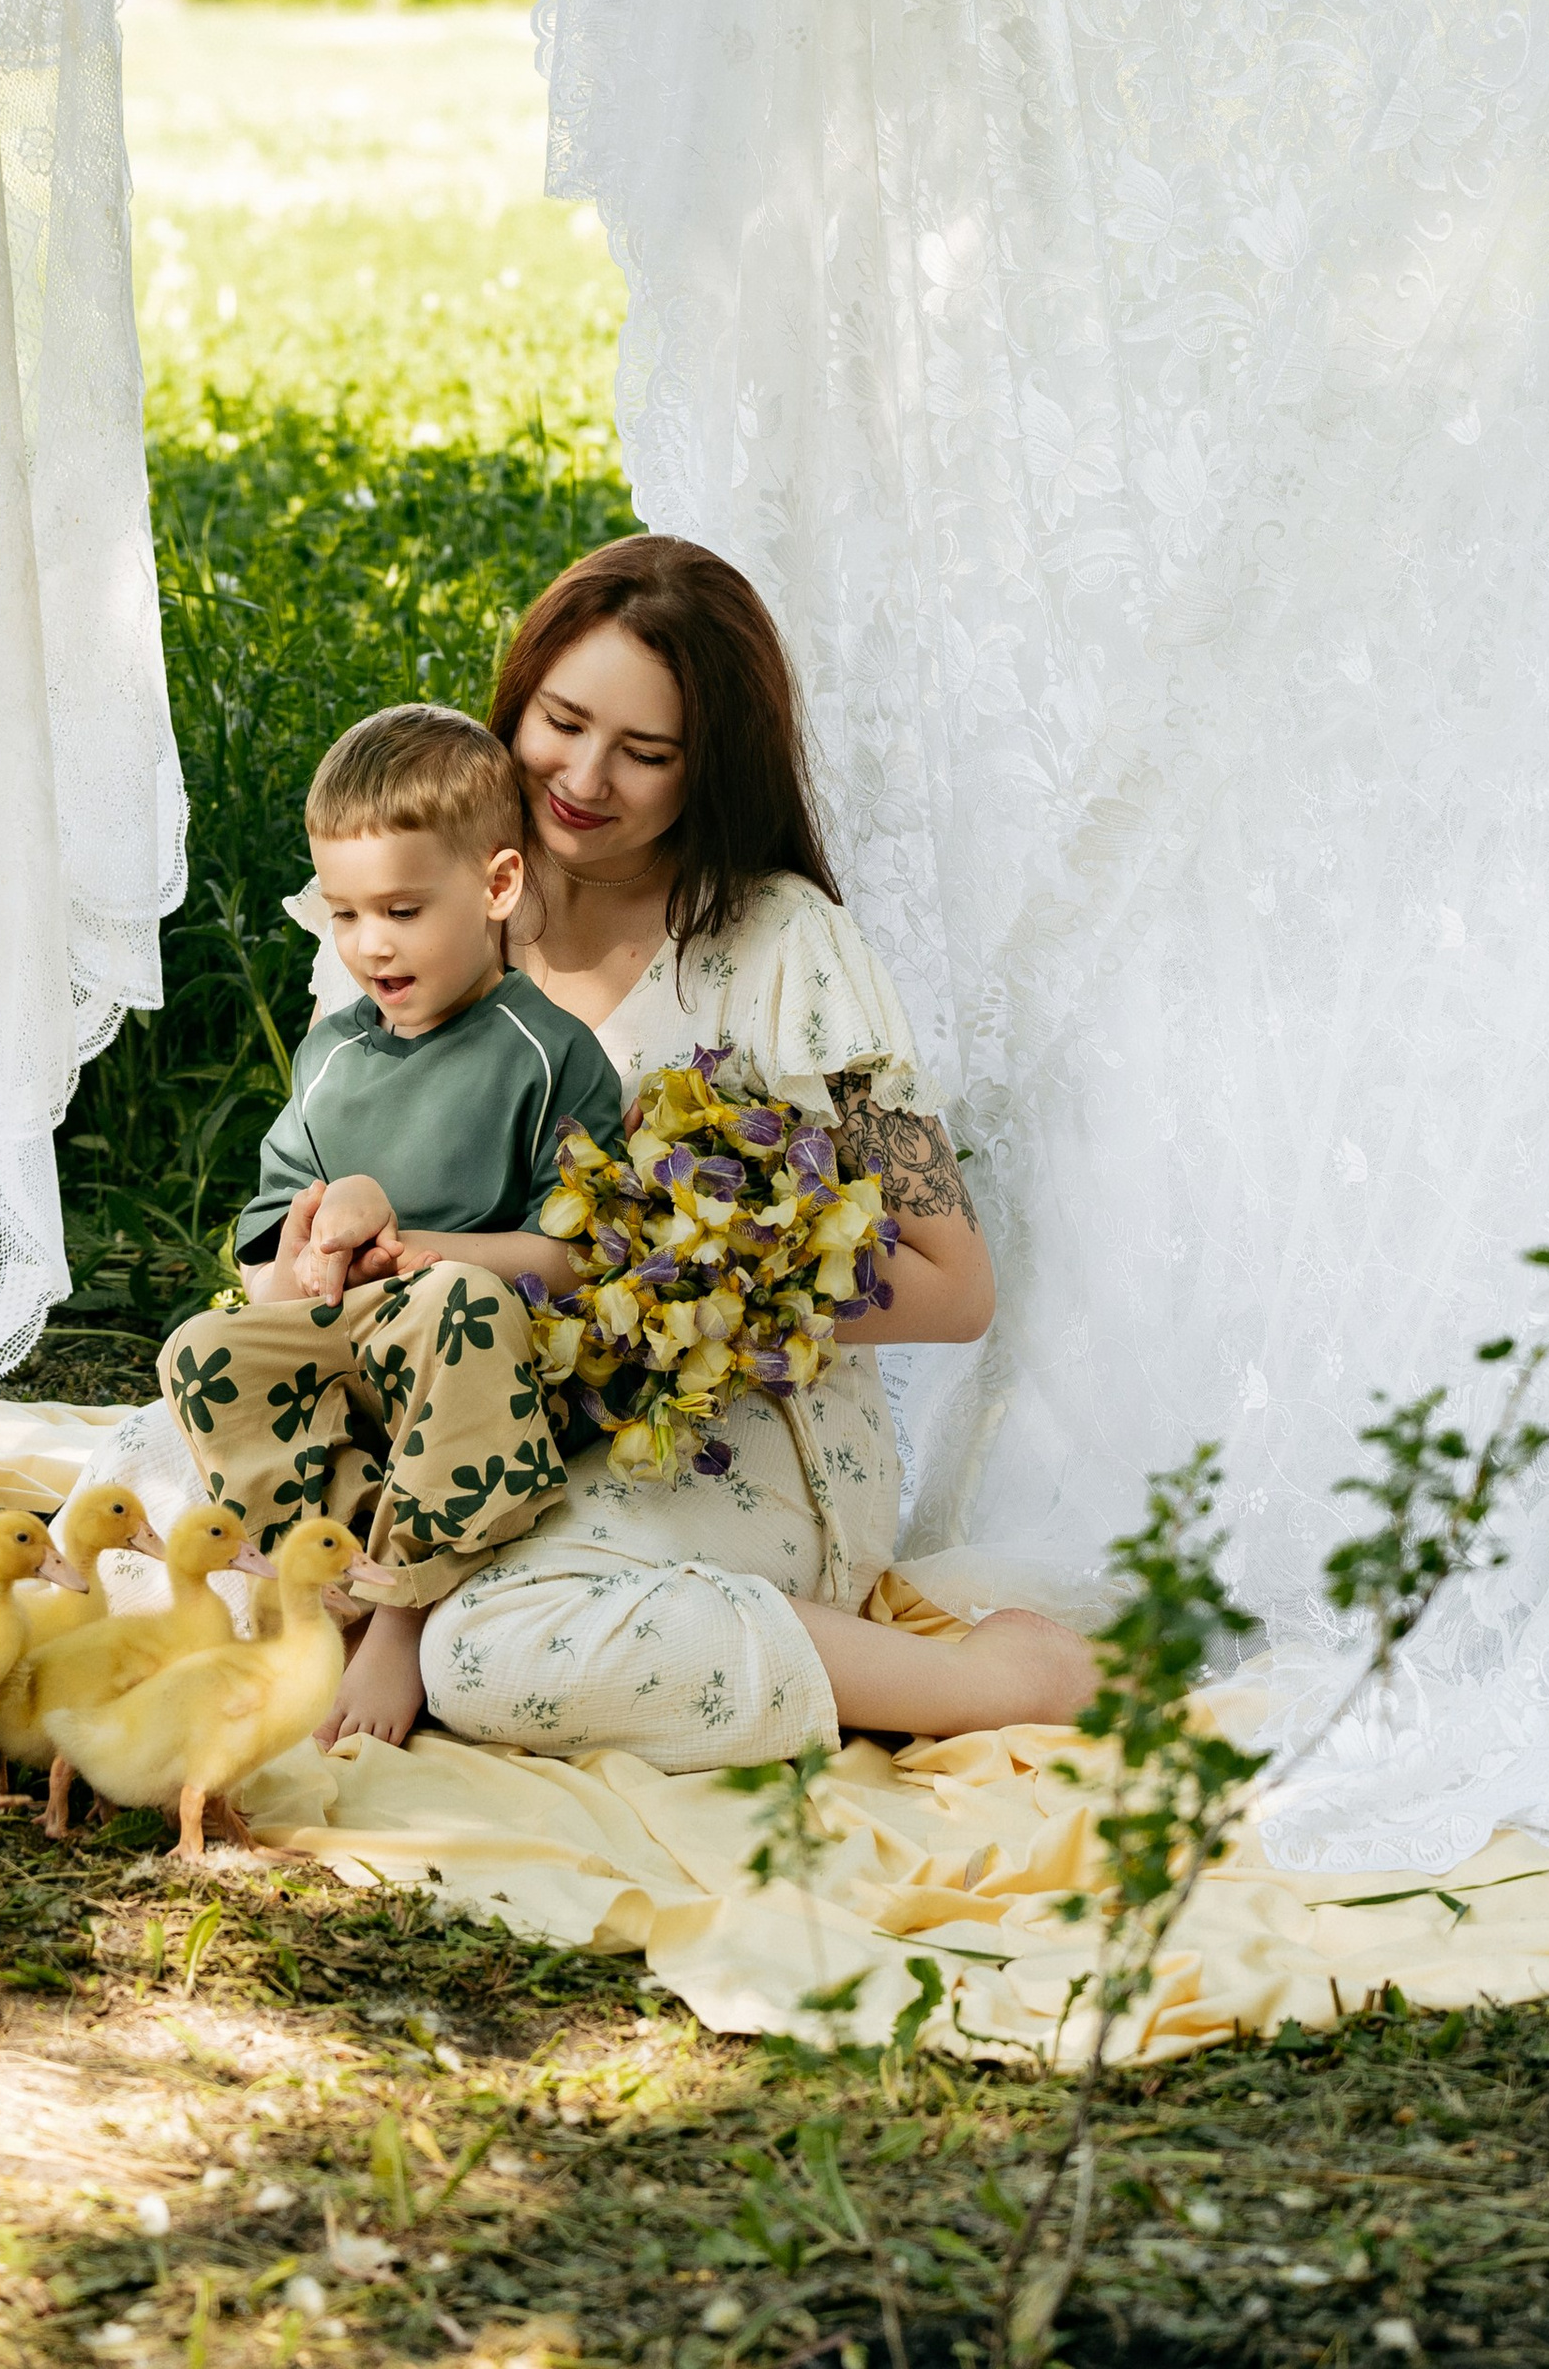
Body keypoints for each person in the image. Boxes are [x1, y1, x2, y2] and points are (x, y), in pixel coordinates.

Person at [292, 539, 1095, 1770]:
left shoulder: (783, 950)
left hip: (715, 1428)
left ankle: (978, 1683)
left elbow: (953, 1278)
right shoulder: (411, 907)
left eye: (646, 754)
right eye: (560, 723)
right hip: (435, 1397)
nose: (582, 778)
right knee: (189, 1523)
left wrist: (681, 1290)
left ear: (705, 770)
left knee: (486, 1654)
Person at [158, 702, 624, 1749]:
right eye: (346, 915)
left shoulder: (544, 1056)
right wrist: (316, 1248)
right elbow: (266, 1266)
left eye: (403, 912)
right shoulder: (332, 1056)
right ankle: (323, 1576)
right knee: (201, 1349)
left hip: (485, 1368)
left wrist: (412, 1247)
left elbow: (575, 1257)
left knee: (453, 1301)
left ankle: (405, 1612)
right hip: (352, 1340)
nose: (372, 946)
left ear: (497, 886)